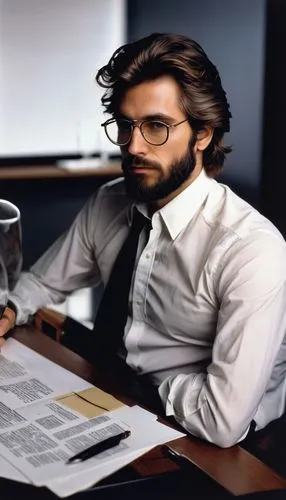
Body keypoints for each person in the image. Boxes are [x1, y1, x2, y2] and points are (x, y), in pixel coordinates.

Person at [1, 32, 286, 448]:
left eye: (156, 126)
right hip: (118, 399)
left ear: (203, 134)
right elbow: (44, 283)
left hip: (226, 450)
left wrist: (158, 382)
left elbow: (222, 422)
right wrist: (11, 309)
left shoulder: (252, 251)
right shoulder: (111, 200)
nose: (133, 146)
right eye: (125, 125)